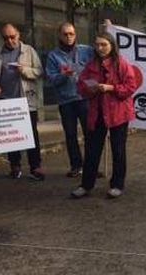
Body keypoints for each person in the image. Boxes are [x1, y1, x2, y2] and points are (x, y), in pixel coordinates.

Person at [71, 32, 137, 199]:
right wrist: (90, 89)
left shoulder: (122, 64)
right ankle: (86, 185)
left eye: (104, 45)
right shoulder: (91, 65)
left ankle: (117, 185)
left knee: (118, 151)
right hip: (97, 112)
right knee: (92, 150)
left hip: (118, 113)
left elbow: (130, 87)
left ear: (112, 46)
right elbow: (81, 86)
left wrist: (111, 88)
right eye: (97, 45)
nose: (100, 48)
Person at [0, 23, 45, 180]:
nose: (10, 40)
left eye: (12, 37)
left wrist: (24, 70)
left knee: (32, 135)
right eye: (6, 38)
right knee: (10, 137)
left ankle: (35, 167)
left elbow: (39, 71)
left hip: (26, 100)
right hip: (5, 101)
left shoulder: (29, 51)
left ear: (19, 35)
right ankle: (15, 166)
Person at [46, 23, 94, 178]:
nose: (69, 37)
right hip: (66, 101)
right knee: (70, 134)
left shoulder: (86, 50)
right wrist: (63, 76)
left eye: (71, 34)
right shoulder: (53, 56)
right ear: (60, 35)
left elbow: (103, 53)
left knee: (90, 134)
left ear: (76, 34)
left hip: (84, 98)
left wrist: (108, 30)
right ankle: (76, 166)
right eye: (65, 34)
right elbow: (51, 79)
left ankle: (90, 166)